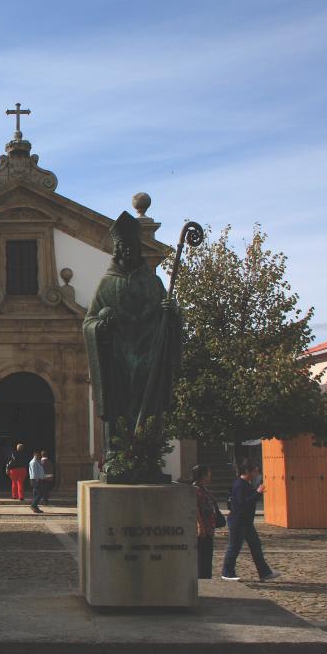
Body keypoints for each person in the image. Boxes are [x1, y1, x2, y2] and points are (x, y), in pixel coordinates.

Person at [83, 211, 181, 477]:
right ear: (116, 250)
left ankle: (147, 454)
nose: (127, 250)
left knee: (148, 404)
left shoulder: (153, 282)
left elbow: (166, 318)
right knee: (117, 403)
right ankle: (117, 453)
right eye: (122, 247)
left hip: (147, 356)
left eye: (131, 246)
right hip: (117, 359)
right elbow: (89, 321)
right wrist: (100, 325)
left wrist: (172, 314)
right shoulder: (107, 283)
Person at [221, 458, 281, 582]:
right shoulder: (240, 484)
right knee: (234, 547)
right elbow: (243, 503)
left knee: (256, 546)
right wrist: (258, 493)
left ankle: (264, 572)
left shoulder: (245, 484)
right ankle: (227, 572)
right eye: (254, 471)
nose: (256, 474)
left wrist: (257, 493)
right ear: (248, 471)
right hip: (238, 521)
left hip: (246, 521)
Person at [192, 464, 223, 579]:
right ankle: (203, 579)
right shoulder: (196, 490)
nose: (210, 475)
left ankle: (206, 577)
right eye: (208, 473)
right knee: (203, 557)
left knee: (207, 556)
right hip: (203, 528)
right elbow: (195, 509)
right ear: (203, 475)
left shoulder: (203, 489)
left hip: (209, 527)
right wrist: (200, 526)